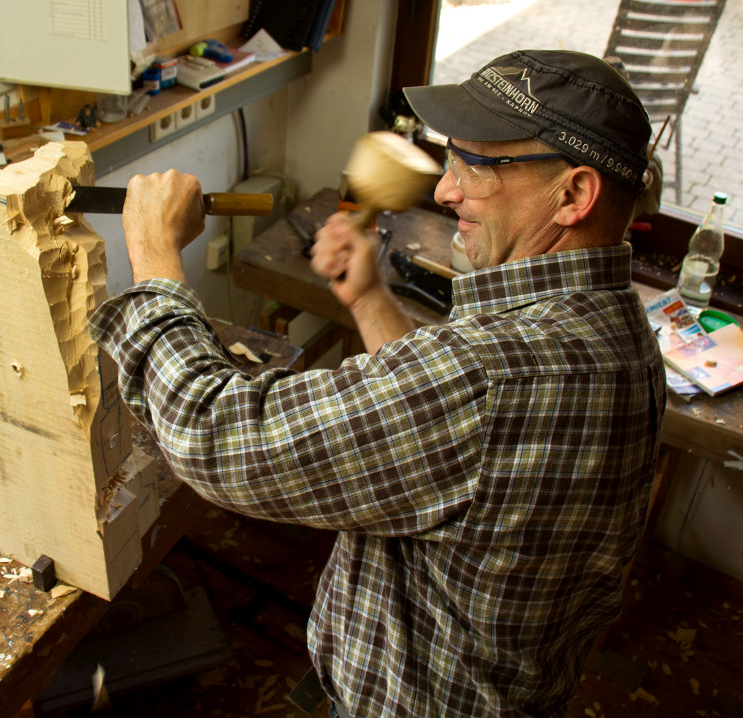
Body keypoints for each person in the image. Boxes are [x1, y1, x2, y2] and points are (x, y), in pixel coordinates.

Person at [89, 49, 666, 718]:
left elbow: (215, 438)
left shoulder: (493, 373)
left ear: (574, 194)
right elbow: (449, 450)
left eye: (476, 165)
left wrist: (156, 257)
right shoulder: (620, 334)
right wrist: (368, 299)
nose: (447, 192)